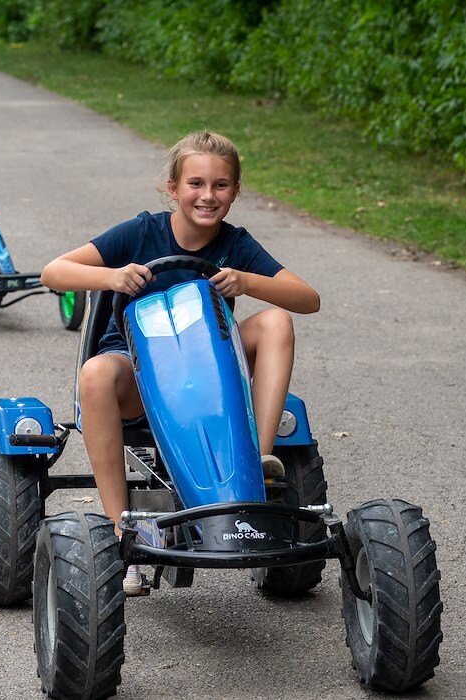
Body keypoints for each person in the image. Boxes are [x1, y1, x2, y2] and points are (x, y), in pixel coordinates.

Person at [40, 131, 321, 594]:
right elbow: (55, 271)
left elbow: (307, 299)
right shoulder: (142, 232)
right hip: (135, 365)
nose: (207, 196)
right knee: (95, 374)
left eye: (221, 185)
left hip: (210, 371)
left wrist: (248, 281)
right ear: (173, 188)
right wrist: (112, 275)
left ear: (235, 191)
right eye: (195, 184)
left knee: (276, 322)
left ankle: (258, 460)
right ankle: (119, 529)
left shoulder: (235, 245)